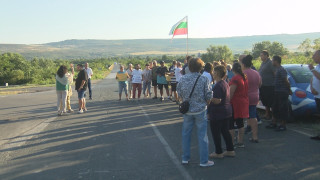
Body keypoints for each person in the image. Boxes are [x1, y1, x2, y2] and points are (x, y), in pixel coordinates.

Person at [177, 58, 214, 167]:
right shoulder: (203, 79)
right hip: (200, 110)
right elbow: (208, 95)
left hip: (187, 110)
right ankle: (203, 161)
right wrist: (206, 103)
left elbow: (179, 93)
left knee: (186, 134)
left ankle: (185, 158)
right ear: (200, 67)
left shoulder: (183, 79)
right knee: (202, 135)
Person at [208, 65, 235, 158]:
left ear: (216, 73)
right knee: (225, 131)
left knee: (216, 133)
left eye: (213, 72)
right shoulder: (225, 83)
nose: (212, 73)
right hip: (226, 111)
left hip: (218, 112)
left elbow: (217, 100)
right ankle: (230, 149)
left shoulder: (218, 86)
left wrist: (208, 98)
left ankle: (218, 152)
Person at [266, 56, 291, 131]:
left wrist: (289, 89)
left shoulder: (281, 69)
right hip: (277, 91)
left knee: (283, 108)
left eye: (273, 61)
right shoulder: (277, 69)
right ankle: (274, 123)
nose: (272, 62)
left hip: (282, 92)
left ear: (276, 61)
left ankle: (283, 125)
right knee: (275, 107)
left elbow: (286, 80)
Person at [241, 55, 262, 142]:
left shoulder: (243, 73)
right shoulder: (256, 73)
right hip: (255, 95)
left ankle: (255, 136)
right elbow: (260, 84)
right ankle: (249, 129)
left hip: (246, 96)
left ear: (243, 64)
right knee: (251, 114)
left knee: (251, 116)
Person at [229, 62, 249, 148]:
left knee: (231, 124)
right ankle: (240, 141)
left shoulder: (235, 79)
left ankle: (231, 142)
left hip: (235, 103)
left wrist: (226, 102)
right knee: (240, 123)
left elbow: (231, 93)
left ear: (233, 69)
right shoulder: (244, 77)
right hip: (243, 102)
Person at [258, 50, 276, 120]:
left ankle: (273, 116)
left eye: (262, 55)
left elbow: (275, 73)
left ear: (266, 55)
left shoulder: (270, 63)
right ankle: (267, 114)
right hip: (263, 85)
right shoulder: (263, 63)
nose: (261, 57)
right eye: (260, 55)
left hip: (270, 85)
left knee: (270, 101)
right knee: (265, 100)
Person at [309, 50, 320, 140]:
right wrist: (312, 88)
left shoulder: (315, 67)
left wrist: (312, 69)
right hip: (317, 96)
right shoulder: (318, 66)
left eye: (314, 55)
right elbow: (313, 78)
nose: (313, 57)